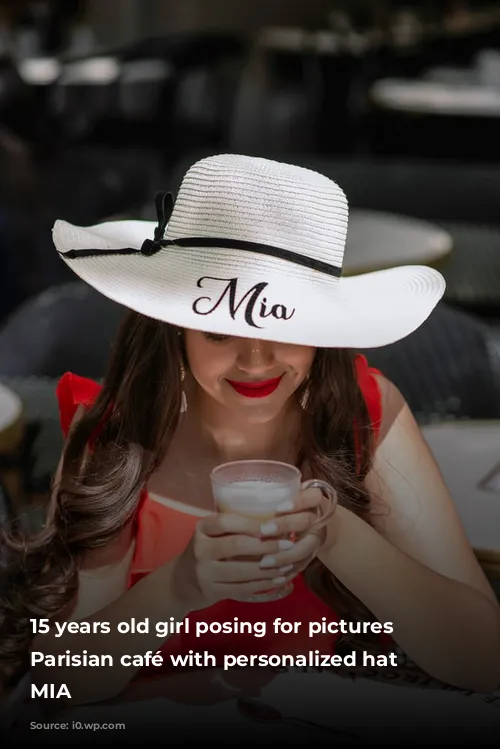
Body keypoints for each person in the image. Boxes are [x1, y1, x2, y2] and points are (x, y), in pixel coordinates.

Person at [1, 154, 499, 709]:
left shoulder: (364, 413)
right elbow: (60, 682)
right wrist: (180, 585)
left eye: (288, 324)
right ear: (175, 324)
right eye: (220, 329)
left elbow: (484, 659)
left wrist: (335, 534)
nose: (256, 360)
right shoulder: (119, 435)